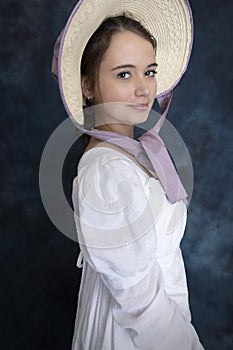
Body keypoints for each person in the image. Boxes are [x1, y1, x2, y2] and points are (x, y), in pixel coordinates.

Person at [52, 0, 204, 349]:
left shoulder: (132, 156)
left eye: (149, 71)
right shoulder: (107, 172)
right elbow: (141, 305)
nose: (143, 88)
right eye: (124, 73)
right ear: (88, 86)